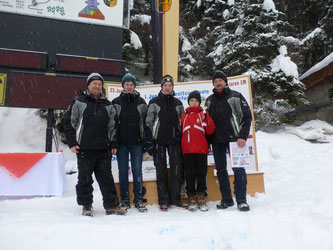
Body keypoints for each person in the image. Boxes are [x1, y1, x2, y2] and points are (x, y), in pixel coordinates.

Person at [64, 72, 126, 216]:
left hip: (103, 149)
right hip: (85, 148)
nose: (97, 86)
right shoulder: (78, 101)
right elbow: (69, 123)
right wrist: (72, 143)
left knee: (107, 179)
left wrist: (114, 144)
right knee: (84, 179)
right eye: (94, 84)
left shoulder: (108, 104)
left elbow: (113, 126)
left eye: (99, 84)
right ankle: (86, 206)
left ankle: (111, 205)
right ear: (88, 85)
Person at [205, 70, 252, 212]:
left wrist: (242, 136)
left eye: (220, 80)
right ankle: (226, 199)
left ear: (225, 82)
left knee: (238, 170)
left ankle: (242, 200)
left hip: (235, 140)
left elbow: (247, 117)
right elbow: (206, 122)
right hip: (217, 141)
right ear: (213, 84)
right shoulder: (209, 100)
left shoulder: (236, 96)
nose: (218, 83)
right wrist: (208, 141)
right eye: (215, 81)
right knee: (220, 171)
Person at [145, 75, 187, 211]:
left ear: (172, 87)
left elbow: (183, 123)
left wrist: (182, 140)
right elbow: (148, 123)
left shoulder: (178, 103)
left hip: (175, 142)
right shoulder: (154, 102)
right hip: (159, 142)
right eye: (165, 85)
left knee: (176, 171)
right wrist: (150, 142)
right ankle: (163, 200)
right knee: (161, 171)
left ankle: (175, 199)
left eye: (170, 85)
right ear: (161, 87)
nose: (167, 88)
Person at [112, 73, 148, 213]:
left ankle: (139, 199)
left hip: (137, 143)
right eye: (126, 84)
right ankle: (125, 200)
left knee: (137, 171)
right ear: (123, 86)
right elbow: (112, 125)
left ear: (134, 86)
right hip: (121, 144)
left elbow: (145, 124)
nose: (129, 86)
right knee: (122, 172)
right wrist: (113, 143)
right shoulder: (115, 102)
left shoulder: (141, 102)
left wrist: (145, 141)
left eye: (131, 84)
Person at [181, 90, 215, 212]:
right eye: (192, 101)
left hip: (201, 149)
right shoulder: (183, 116)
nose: (194, 103)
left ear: (199, 102)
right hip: (188, 149)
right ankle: (191, 197)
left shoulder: (203, 115)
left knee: (202, 174)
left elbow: (211, 130)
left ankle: (201, 196)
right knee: (189, 174)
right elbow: (180, 132)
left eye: (196, 101)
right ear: (188, 102)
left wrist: (208, 119)